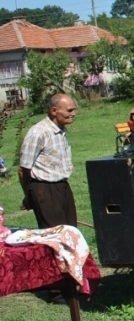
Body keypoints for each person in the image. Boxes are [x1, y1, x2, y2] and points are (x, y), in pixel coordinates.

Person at [19, 93, 79, 229]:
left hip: (62, 186)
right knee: (54, 236)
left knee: (71, 233)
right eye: (69, 110)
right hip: (44, 189)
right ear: (53, 111)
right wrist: (29, 195)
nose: (74, 114)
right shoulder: (38, 133)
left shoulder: (61, 131)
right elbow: (23, 169)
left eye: (74, 110)